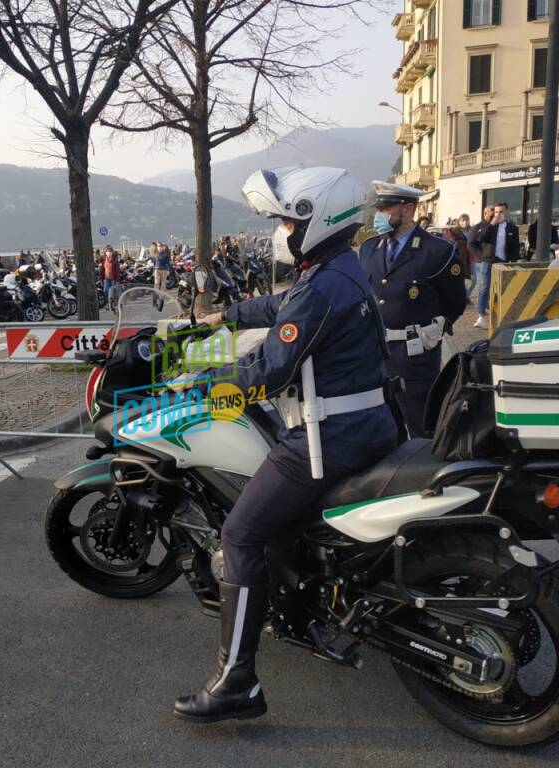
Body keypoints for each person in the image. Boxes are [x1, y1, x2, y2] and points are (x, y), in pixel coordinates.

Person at [172, 167, 398, 724]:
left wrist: (197, 378)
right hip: (372, 424)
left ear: (315, 219)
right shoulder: (339, 269)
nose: (281, 231)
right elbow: (282, 308)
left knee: (241, 533)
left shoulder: (321, 284)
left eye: (286, 220)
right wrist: (224, 314)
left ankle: (236, 681)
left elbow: (269, 370)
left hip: (328, 439)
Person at [359, 181, 467, 438]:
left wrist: (431, 331)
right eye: (378, 209)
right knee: (386, 428)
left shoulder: (438, 251)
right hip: (377, 357)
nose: (379, 216)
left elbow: (454, 303)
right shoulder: (368, 249)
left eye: (386, 209)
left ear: (408, 211)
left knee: (422, 428)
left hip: (415, 357)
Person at [473, 201, 520, 328]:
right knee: (484, 288)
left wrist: (514, 262)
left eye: (501, 212)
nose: (498, 214)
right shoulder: (489, 226)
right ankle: (481, 316)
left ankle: (501, 314)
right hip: (487, 260)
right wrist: (491, 224)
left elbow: (515, 246)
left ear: (507, 212)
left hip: (503, 261)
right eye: (496, 212)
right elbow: (479, 238)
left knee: (502, 288)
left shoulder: (512, 228)